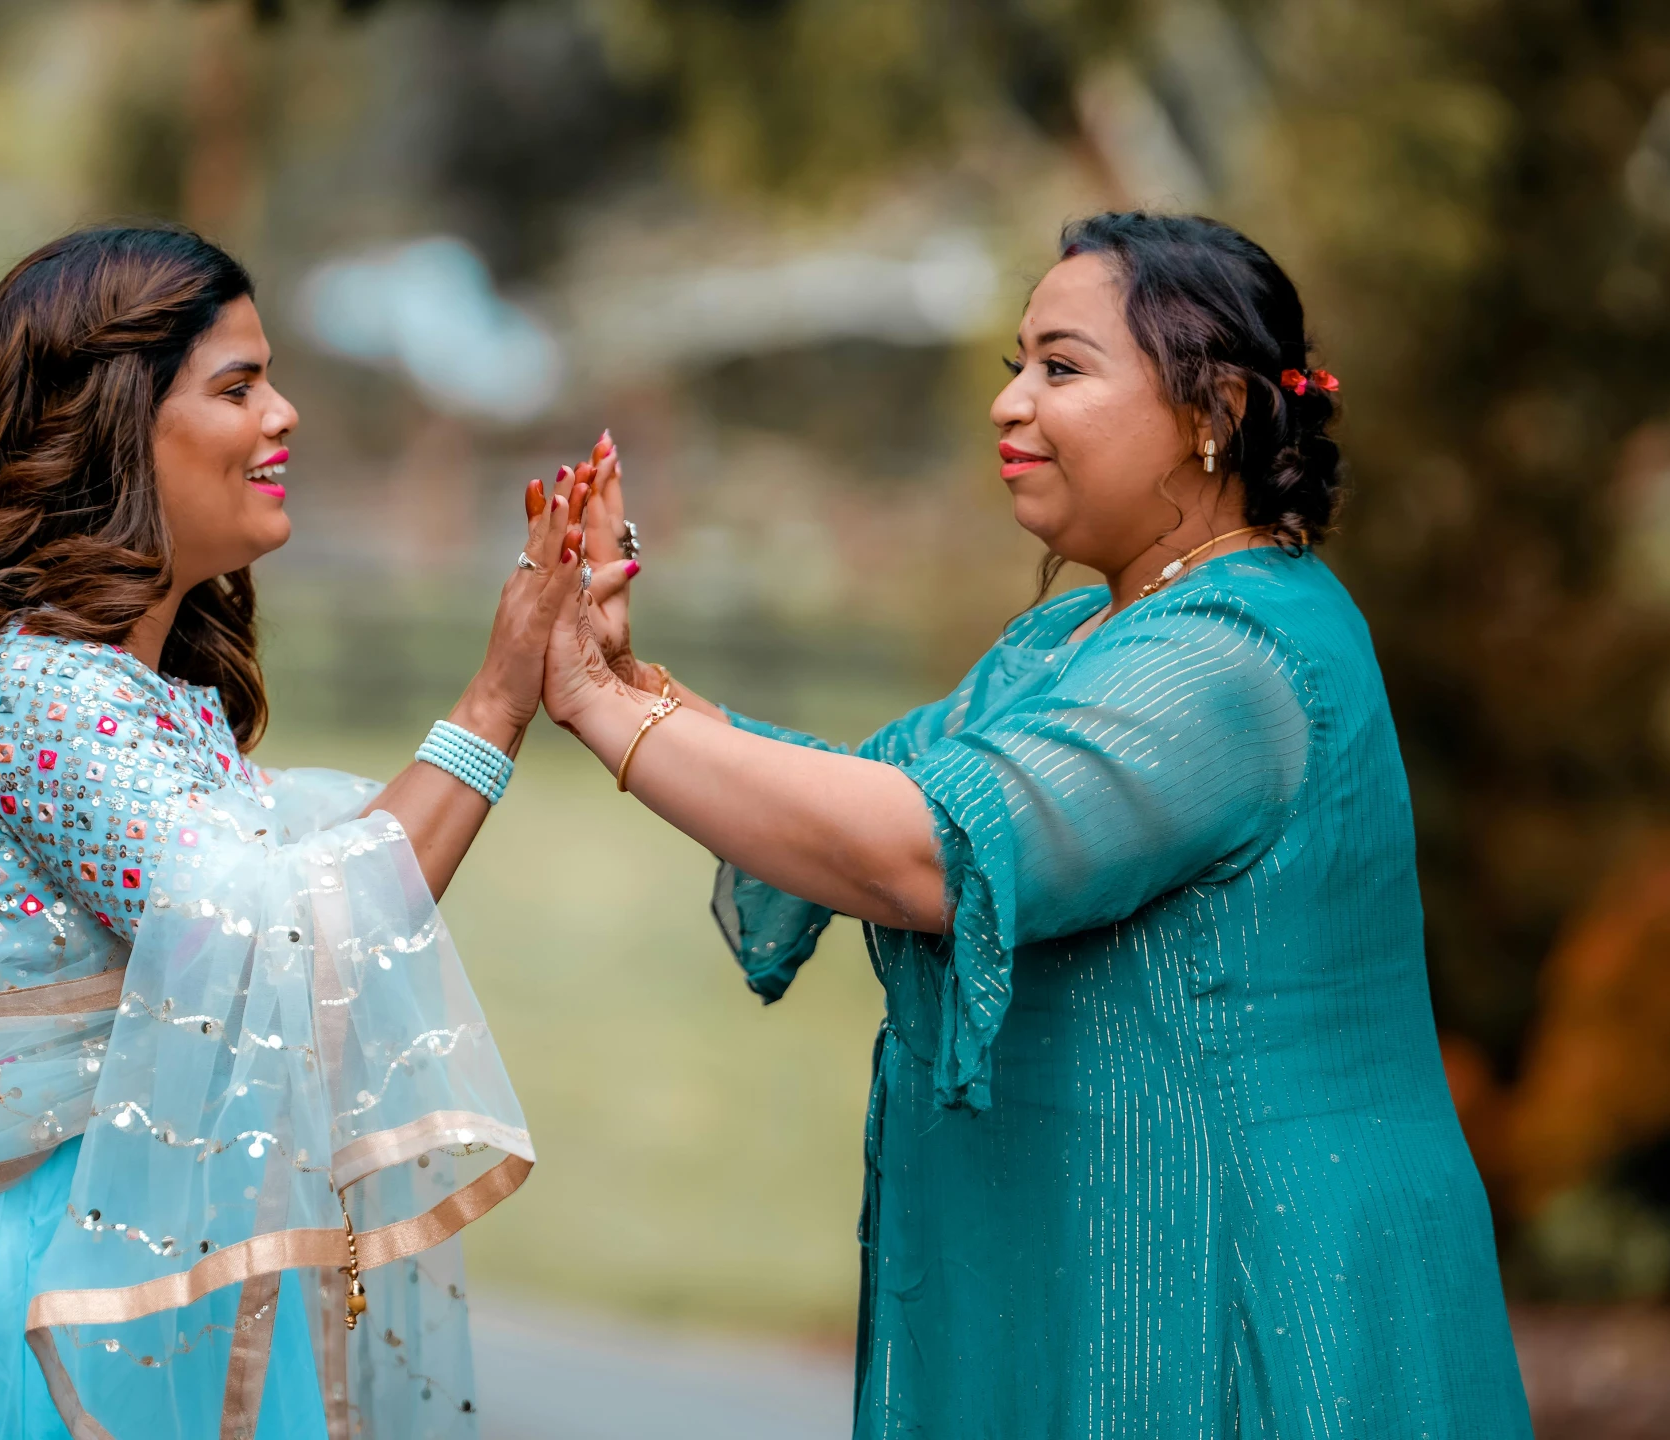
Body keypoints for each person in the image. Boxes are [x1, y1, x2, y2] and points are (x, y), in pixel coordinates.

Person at [544, 212, 1534, 1437]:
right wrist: (624, 676)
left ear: (1213, 409)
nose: (1010, 405)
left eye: (1061, 369)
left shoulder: (1233, 658)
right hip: (1123, 1264)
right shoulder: (1074, 638)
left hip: (1240, 1291)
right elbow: (859, 792)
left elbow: (925, 852)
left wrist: (592, 707)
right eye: (1015, 364)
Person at [0, 224, 584, 1440]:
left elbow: (315, 888)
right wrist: (496, 702)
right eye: (240, 385)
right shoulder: (35, 694)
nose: (285, 414)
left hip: (71, 1268)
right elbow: (296, 943)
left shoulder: (116, 692)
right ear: (110, 427)